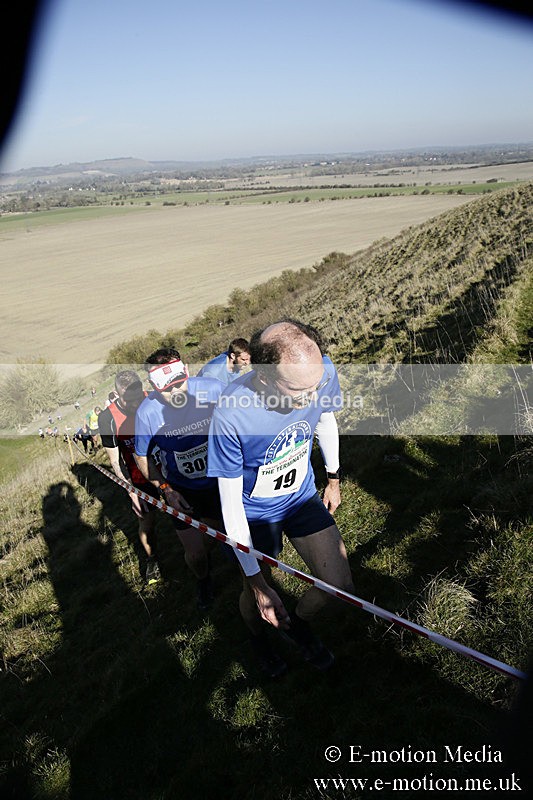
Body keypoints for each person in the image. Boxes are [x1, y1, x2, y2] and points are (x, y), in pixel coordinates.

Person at [207, 319, 354, 677]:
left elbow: (325, 420)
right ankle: (259, 640)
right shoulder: (231, 414)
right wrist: (257, 583)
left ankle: (298, 626)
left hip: (300, 498)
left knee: (339, 586)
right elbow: (230, 504)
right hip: (253, 514)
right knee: (256, 594)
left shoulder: (318, 372)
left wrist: (333, 478)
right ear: (264, 377)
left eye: (317, 385)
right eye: (299, 391)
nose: (313, 396)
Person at [134, 347, 225, 609]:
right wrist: (165, 488)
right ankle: (203, 580)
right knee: (196, 555)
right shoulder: (147, 413)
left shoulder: (212, 389)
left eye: (179, 383)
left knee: (229, 536)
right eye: (166, 389)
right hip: (182, 490)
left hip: (220, 481)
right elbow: (141, 455)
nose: (175, 392)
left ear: (186, 371)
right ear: (152, 385)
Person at [98, 371, 161, 584]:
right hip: (139, 478)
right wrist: (131, 492)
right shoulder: (107, 418)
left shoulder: (153, 398)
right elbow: (115, 461)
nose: (136, 405)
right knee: (146, 520)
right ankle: (152, 559)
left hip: (167, 467)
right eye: (129, 401)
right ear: (117, 394)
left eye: (138, 398)